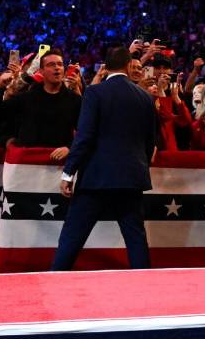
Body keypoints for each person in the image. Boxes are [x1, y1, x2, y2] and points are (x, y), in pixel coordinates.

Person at [51, 46, 158, 271]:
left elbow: (84, 137)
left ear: (105, 67)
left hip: (95, 178)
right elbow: (150, 144)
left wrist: (69, 172)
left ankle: (55, 279)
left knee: (72, 237)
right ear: (129, 65)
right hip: (131, 178)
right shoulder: (145, 98)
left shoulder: (95, 92)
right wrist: (138, 166)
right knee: (136, 239)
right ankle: (147, 289)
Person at [0, 50, 81, 160]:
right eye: (51, 65)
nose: (57, 67)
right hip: (28, 165)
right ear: (41, 71)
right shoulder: (26, 98)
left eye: (60, 64)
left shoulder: (74, 100)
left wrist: (69, 148)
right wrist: (0, 88)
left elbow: (85, 131)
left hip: (59, 166)